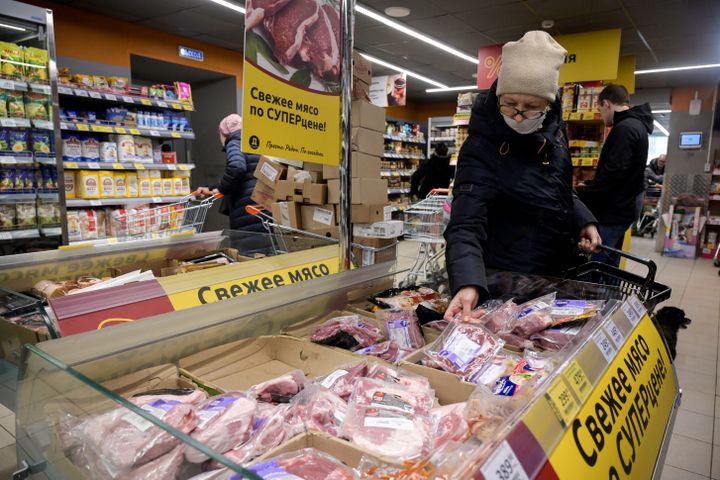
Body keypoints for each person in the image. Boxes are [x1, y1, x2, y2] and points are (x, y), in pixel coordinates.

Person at [443, 31, 601, 321]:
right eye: (510, 103)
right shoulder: (481, 147)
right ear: (499, 94)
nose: (517, 115)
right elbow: (465, 223)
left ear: (548, 105)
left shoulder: (554, 133)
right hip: (506, 280)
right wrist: (468, 282)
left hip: (553, 272)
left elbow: (558, 185)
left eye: (531, 107)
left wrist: (583, 219)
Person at [577, 84, 653, 267]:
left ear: (607, 103)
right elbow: (622, 171)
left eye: (600, 109)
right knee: (611, 267)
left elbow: (613, 174)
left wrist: (583, 194)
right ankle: (610, 296)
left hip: (613, 211)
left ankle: (596, 297)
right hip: (623, 208)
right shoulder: (637, 125)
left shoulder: (625, 128)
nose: (601, 115)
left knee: (595, 268)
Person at [197, 114, 264, 231]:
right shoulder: (253, 142)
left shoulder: (234, 142)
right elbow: (245, 176)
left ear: (224, 133)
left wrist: (222, 189)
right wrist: (212, 188)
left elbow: (237, 168)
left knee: (250, 246)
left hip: (246, 210)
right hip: (261, 204)